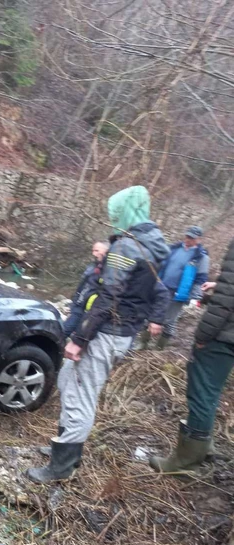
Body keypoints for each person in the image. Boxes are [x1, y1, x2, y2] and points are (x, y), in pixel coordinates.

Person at [27, 185, 170, 483]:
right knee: (69, 380)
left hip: (105, 333)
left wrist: (80, 340)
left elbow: (109, 297)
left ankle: (62, 467)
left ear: (126, 211)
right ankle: (65, 445)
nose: (112, 218)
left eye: (115, 213)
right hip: (121, 332)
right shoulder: (153, 245)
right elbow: (148, 293)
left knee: (81, 395)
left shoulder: (127, 247)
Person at [150, 237, 234, 475]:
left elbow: (227, 301)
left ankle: (185, 464)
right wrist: (219, 286)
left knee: (202, 393)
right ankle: (204, 446)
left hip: (223, 337)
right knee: (212, 390)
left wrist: (204, 335)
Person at [139, 226, 210, 349]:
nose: (188, 239)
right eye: (187, 236)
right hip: (161, 287)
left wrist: (194, 296)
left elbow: (200, 279)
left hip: (178, 292)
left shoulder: (201, 257)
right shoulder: (173, 248)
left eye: (192, 238)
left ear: (199, 239)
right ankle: (142, 344)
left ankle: (159, 348)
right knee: (151, 313)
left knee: (170, 321)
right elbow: (160, 265)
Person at [62, 241, 109, 339]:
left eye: (97, 250)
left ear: (106, 251)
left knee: (80, 338)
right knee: (63, 332)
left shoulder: (109, 271)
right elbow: (81, 286)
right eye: (93, 250)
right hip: (79, 307)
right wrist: (73, 304)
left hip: (90, 312)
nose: (94, 254)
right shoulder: (92, 267)